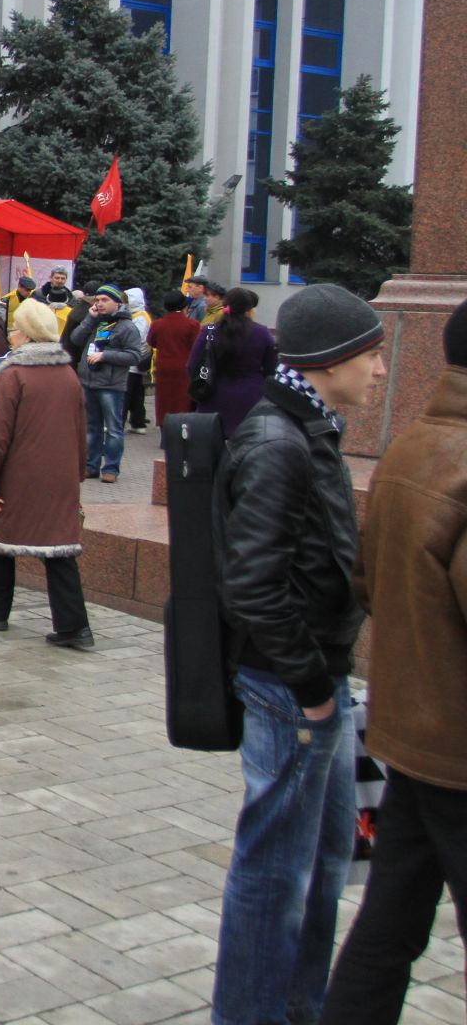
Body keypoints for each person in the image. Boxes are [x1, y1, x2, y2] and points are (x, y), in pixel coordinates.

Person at [211, 284, 387, 1025]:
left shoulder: (305, 427)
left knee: (319, 867)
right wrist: (314, 687)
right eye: (371, 355)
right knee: (274, 871)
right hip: (292, 687)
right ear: (332, 361)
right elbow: (253, 584)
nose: (380, 370)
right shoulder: (279, 440)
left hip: (316, 683)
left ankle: (294, 1008)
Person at [322, 297, 467, 1021]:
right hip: (458, 752)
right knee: (389, 923)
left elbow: (368, 582)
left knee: (389, 925)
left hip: (410, 734)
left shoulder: (413, 444)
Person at [0, 297, 94, 649]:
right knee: (59, 548)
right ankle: (74, 626)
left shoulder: (15, 374)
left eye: (14, 328)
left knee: (1, 538)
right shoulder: (68, 374)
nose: (11, 334)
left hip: (19, 475)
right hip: (61, 474)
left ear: (25, 334)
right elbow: (81, 429)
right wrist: (78, 473)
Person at [68, 285, 145, 483]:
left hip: (111, 385)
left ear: (117, 303)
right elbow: (75, 339)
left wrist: (105, 355)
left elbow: (135, 355)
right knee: (91, 427)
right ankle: (91, 465)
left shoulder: (126, 326)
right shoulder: (95, 322)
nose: (99, 304)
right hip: (88, 381)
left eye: (104, 300)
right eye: (98, 300)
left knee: (113, 429)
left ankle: (111, 467)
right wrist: (89, 318)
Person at [189, 286, 277, 438]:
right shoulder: (262, 333)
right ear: (250, 309)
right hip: (251, 399)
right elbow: (272, 369)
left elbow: (192, 365)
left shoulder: (209, 330)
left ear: (225, 305)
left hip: (212, 397)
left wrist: (200, 385)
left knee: (210, 451)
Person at [145, 290, 201, 424]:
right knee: (182, 400)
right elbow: (197, 347)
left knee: (164, 400)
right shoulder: (192, 325)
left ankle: (165, 429)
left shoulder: (157, 324)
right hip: (184, 367)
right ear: (183, 307)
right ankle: (182, 430)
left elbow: (152, 342)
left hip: (163, 366)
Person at [123, 287, 153, 433]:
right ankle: (138, 422)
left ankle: (119, 422)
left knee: (126, 394)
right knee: (136, 394)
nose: (126, 302)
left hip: (133, 360)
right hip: (136, 360)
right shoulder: (137, 315)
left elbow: (137, 337)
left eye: (128, 299)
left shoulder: (141, 317)